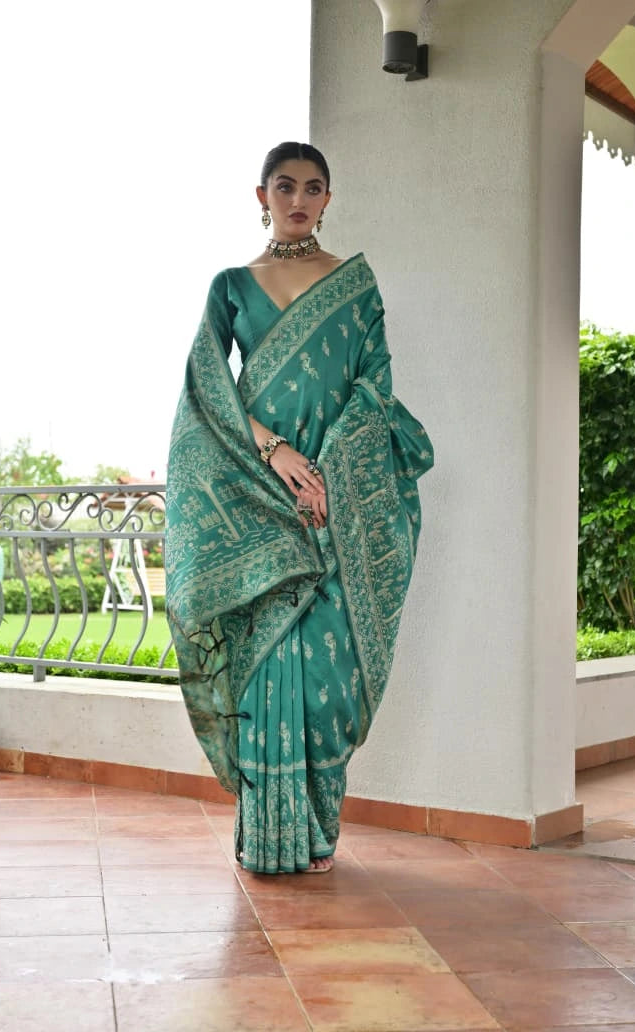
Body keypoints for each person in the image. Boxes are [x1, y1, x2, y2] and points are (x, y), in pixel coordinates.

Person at [166, 141, 433, 874]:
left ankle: (316, 832)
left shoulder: (354, 285)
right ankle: (266, 835)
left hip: (334, 500)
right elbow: (204, 390)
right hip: (259, 496)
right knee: (263, 671)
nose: (298, 200)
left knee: (326, 681)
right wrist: (276, 451)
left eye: (313, 188)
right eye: (285, 187)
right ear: (261, 196)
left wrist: (330, 475)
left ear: (327, 198)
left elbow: (375, 388)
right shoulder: (230, 285)